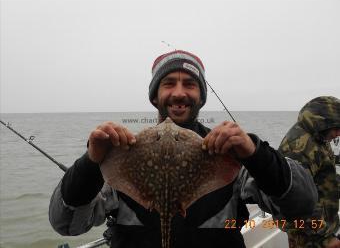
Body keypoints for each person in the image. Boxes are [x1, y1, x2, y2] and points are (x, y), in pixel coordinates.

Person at [49, 50, 317, 248]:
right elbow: (67, 224)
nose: (179, 93)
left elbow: (303, 205)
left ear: (200, 96)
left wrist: (256, 154)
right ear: (155, 95)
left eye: (189, 84)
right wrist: (92, 162)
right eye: (168, 83)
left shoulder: (225, 154)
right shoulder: (122, 155)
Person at [278, 96, 340, 248]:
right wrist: (326, 238)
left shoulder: (318, 137)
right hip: (310, 235)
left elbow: (322, 175)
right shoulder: (298, 147)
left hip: (322, 227)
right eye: (337, 128)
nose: (338, 134)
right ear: (323, 122)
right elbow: (297, 202)